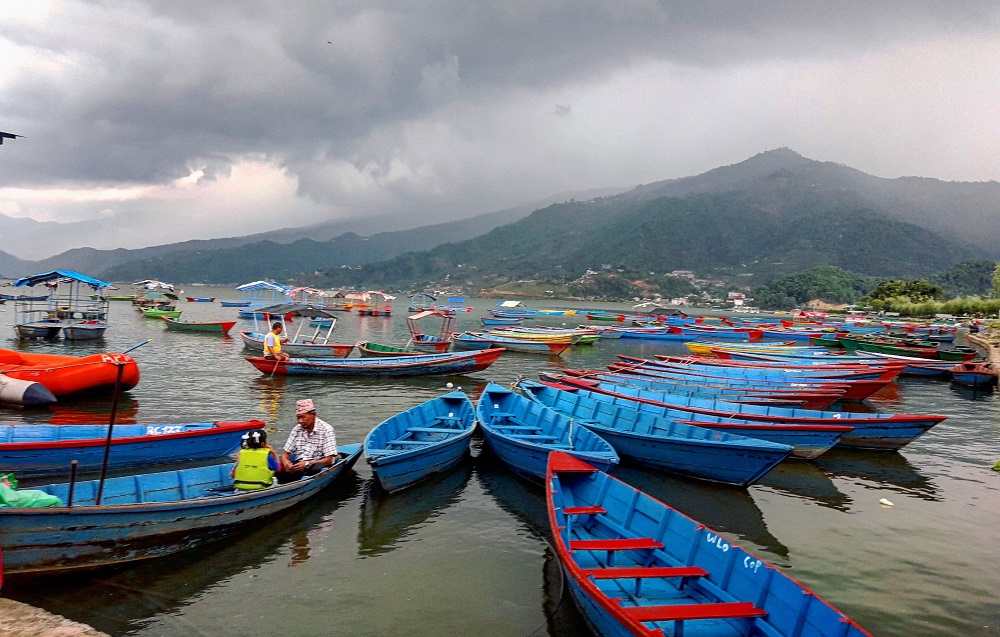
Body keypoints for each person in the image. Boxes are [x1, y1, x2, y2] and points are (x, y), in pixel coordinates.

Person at [277, 399, 338, 483]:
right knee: (280, 464)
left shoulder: (326, 429)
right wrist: (286, 463)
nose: (300, 421)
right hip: (299, 463)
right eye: (298, 418)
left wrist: (307, 463)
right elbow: (285, 454)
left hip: (316, 464)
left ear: (313, 415)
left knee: (313, 469)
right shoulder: (297, 429)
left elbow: (329, 460)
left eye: (303, 417)